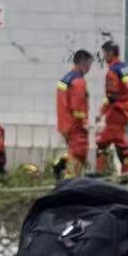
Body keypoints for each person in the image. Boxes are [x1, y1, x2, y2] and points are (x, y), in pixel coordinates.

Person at [96, 41, 128, 172]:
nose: (103, 57)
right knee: (121, 145)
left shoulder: (113, 72)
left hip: (117, 112)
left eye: (105, 54)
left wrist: (101, 113)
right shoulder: (127, 69)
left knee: (103, 143)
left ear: (110, 53)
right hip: (126, 111)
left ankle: (100, 173)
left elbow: (111, 96)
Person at [56, 49, 95, 178]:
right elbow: (77, 107)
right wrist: (84, 123)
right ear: (82, 63)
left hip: (66, 125)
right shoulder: (78, 81)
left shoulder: (66, 79)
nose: (89, 68)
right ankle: (71, 182)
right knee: (78, 154)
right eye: (89, 64)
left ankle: (68, 175)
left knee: (72, 153)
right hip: (76, 126)